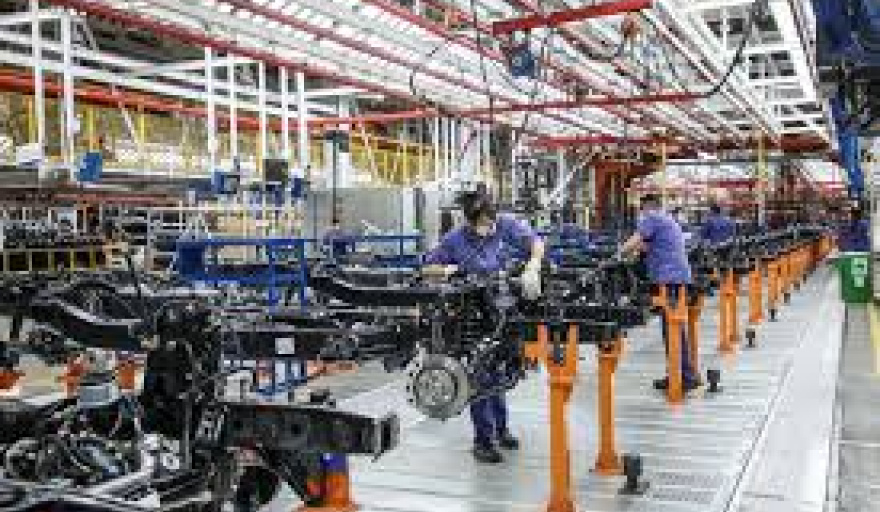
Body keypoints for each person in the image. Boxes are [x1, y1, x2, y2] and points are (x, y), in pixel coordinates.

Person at [423, 189, 544, 464]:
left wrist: (534, 264)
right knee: (480, 376)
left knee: (499, 372)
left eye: (491, 222)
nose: (488, 228)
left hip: (502, 312)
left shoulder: (504, 225)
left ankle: (501, 429)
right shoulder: (455, 240)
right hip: (473, 318)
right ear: (470, 221)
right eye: (482, 224)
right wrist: (447, 270)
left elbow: (535, 242)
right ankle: (483, 440)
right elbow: (426, 268)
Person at [620, 193, 699, 392]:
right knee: (673, 328)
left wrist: (618, 253)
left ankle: (684, 376)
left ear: (647, 207)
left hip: (669, 279)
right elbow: (647, 245)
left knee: (672, 328)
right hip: (675, 277)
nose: (641, 214)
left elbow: (636, 240)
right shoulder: (667, 219)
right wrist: (637, 250)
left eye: (641, 210)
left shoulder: (652, 217)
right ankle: (679, 373)